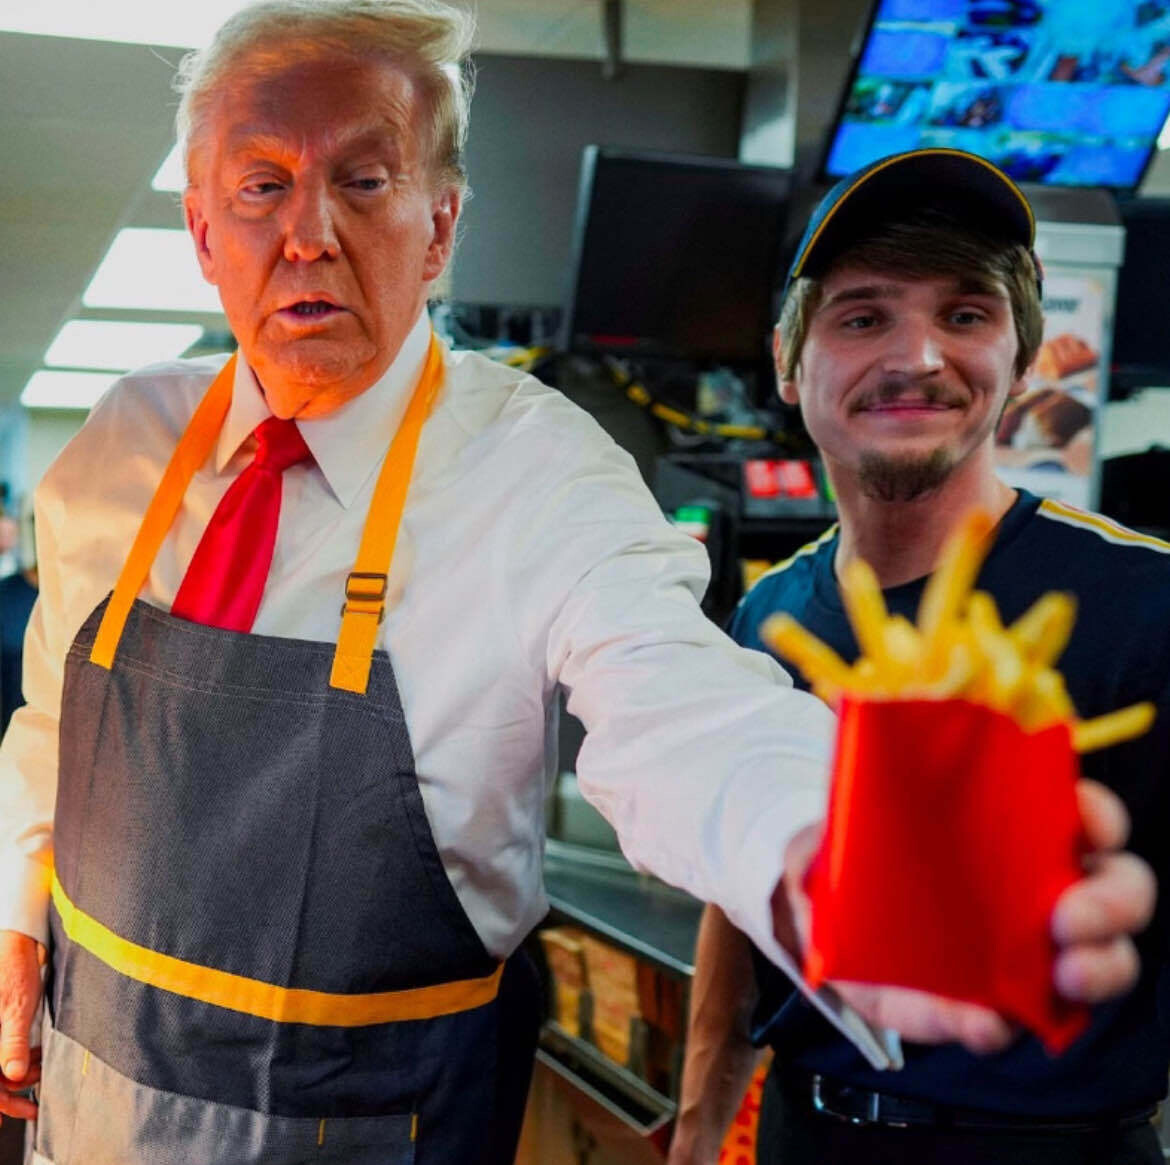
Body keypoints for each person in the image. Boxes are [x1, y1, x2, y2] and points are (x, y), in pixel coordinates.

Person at [0, 10, 1150, 1160]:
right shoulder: (123, 441)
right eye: (261, 187)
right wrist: (17, 906)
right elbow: (54, 721)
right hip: (91, 1111)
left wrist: (836, 853)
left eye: (364, 180)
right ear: (202, 230)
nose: (310, 234)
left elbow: (688, 711)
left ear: (440, 222)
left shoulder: (541, 476)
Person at [669, 148, 1170, 1165]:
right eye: (863, 316)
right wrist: (698, 1126)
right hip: (809, 1132)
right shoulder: (769, 613)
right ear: (786, 356)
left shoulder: (1146, 601)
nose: (921, 356)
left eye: (967, 315)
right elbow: (739, 902)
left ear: (1021, 359)